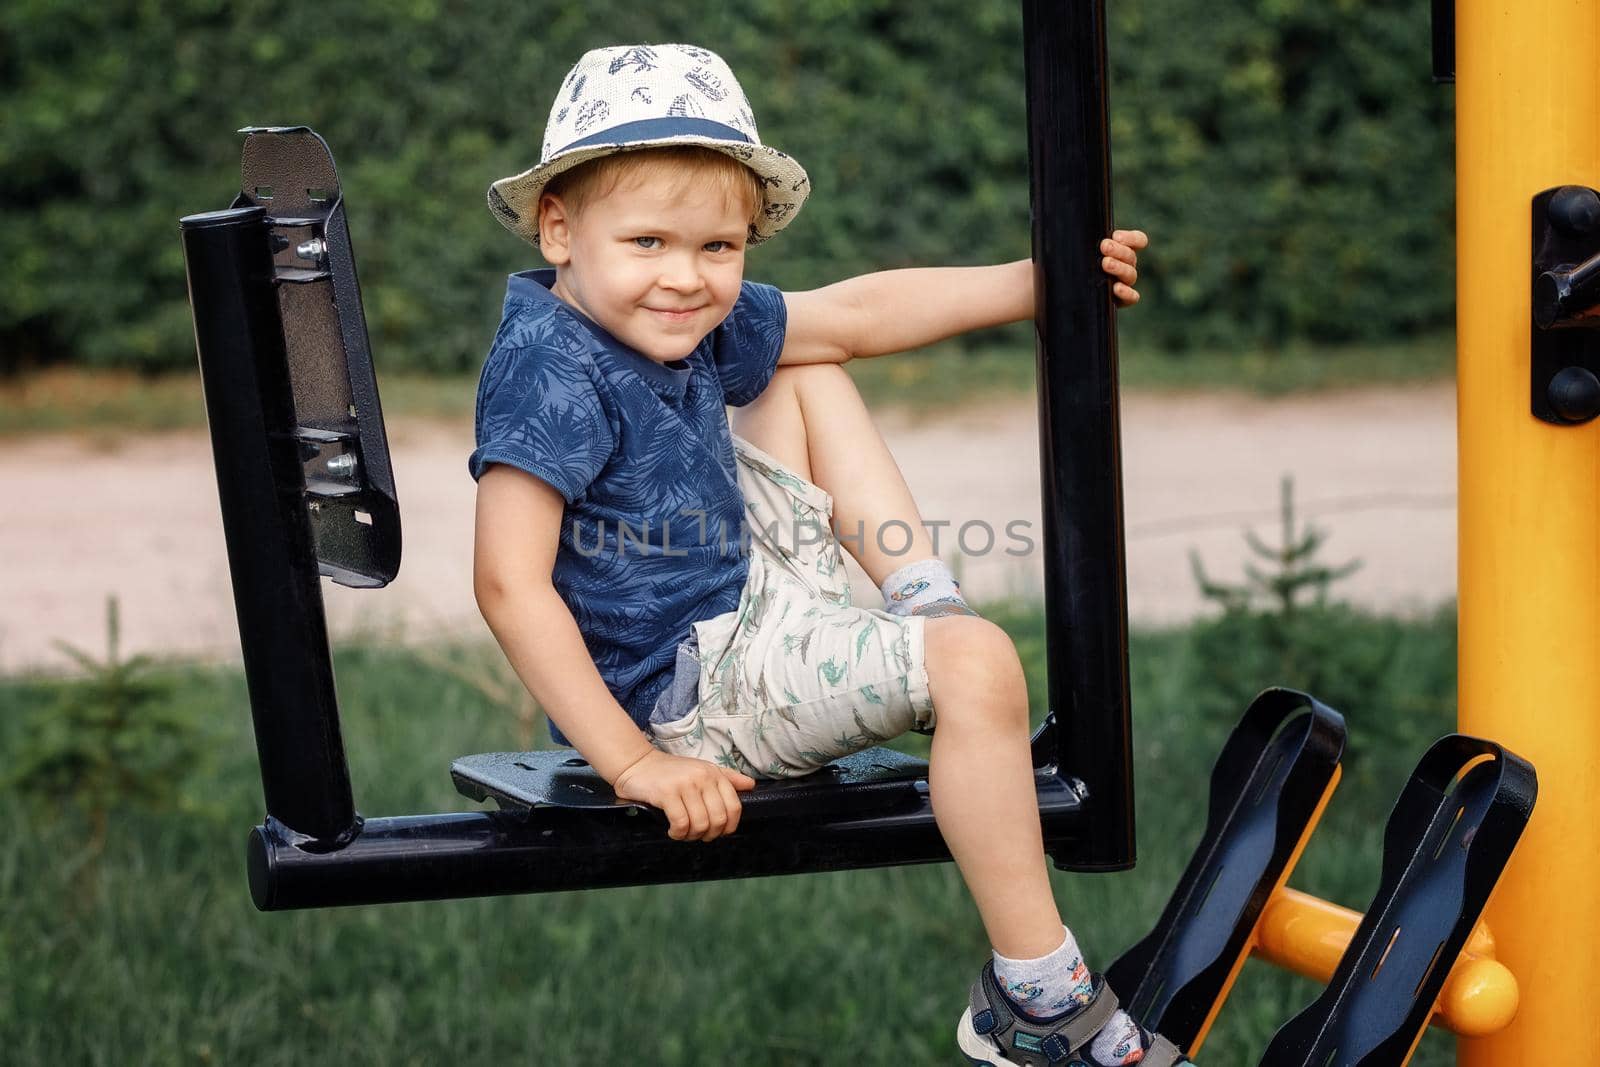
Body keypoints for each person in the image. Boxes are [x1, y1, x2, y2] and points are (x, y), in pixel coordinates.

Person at [471, 43, 1179, 1067]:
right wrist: (638, 764)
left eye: (719, 247)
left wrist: (1043, 279)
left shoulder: (671, 322)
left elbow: (850, 313)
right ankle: (1038, 1001)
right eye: (649, 240)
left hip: (739, 604)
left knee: (808, 363)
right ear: (559, 229)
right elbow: (507, 582)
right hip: (688, 699)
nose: (686, 275)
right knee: (979, 667)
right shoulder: (547, 368)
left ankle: (922, 599)